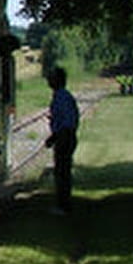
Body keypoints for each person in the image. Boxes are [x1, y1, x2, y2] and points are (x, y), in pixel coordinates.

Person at [45, 66, 79, 214]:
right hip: (64, 137)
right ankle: (63, 203)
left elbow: (67, 123)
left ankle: (64, 205)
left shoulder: (62, 97)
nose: (48, 80)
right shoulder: (62, 96)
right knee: (62, 172)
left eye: (51, 77)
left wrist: (55, 137)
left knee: (62, 172)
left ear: (58, 80)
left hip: (64, 138)